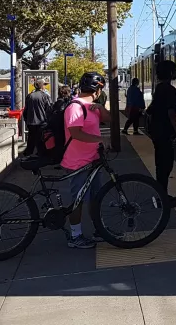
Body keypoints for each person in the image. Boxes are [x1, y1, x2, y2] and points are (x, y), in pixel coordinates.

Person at [60, 72, 110, 249]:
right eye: (101, 90)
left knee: (96, 197)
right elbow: (76, 133)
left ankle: (99, 230)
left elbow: (109, 119)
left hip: (93, 160)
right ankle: (75, 236)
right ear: (96, 90)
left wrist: (101, 108)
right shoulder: (75, 107)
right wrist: (99, 140)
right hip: (77, 162)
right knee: (78, 200)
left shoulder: (91, 106)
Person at [146, 61, 176, 207]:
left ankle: (162, 195)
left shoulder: (159, 89)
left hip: (156, 132)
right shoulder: (170, 90)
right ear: (171, 73)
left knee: (160, 165)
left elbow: (150, 111)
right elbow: (171, 113)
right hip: (165, 133)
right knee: (166, 165)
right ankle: (162, 198)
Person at [22, 80, 53, 157]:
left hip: (31, 122)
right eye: (44, 85)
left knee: (31, 138)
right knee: (41, 139)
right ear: (42, 86)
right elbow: (49, 109)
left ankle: (28, 153)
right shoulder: (45, 96)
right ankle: (41, 154)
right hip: (41, 122)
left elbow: (25, 110)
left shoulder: (29, 96)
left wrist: (26, 120)